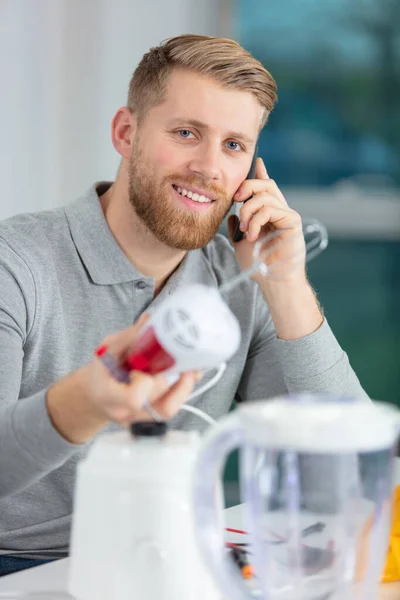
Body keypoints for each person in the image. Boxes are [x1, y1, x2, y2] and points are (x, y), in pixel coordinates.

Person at [0, 34, 368, 576]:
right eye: (186, 133)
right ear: (127, 133)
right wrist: (89, 398)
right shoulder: (16, 264)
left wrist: (284, 283)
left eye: (234, 146)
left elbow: (350, 467)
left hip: (175, 560)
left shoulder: (242, 279)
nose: (208, 167)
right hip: (25, 568)